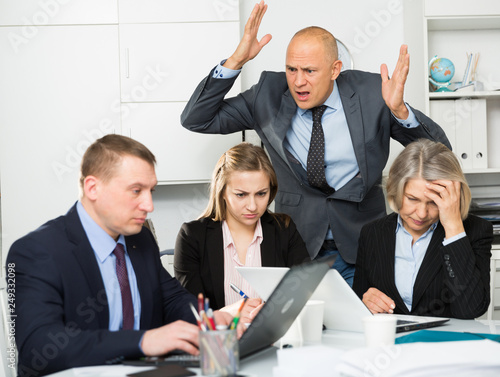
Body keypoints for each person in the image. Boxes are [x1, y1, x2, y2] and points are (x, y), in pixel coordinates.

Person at [180, 1, 450, 286]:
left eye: (309, 71)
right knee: (302, 328)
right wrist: (235, 61)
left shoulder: (373, 93)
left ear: (335, 69)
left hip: (363, 246)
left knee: (363, 324)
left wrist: (400, 112)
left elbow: (440, 154)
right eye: (291, 69)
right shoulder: (268, 95)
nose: (298, 81)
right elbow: (196, 119)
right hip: (297, 245)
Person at [6, 135, 234, 377]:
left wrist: (212, 320)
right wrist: (142, 341)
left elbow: (173, 299)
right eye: (136, 191)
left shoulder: (141, 240)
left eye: (151, 191)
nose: (149, 205)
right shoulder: (36, 251)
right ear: (93, 188)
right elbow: (38, 347)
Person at [353, 139, 493, 319]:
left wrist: (453, 227)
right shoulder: (372, 233)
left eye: (434, 202)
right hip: (390, 344)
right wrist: (366, 301)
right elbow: (358, 302)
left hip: (447, 343)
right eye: (412, 199)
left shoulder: (476, 231)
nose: (421, 213)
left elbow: (470, 309)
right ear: (396, 190)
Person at [174, 142, 310, 318]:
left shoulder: (284, 230)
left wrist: (276, 311)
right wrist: (226, 314)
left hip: (273, 337)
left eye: (261, 193)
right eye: (241, 195)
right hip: (220, 340)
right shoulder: (192, 237)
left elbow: (306, 294)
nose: (253, 206)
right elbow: (188, 312)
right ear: (222, 191)